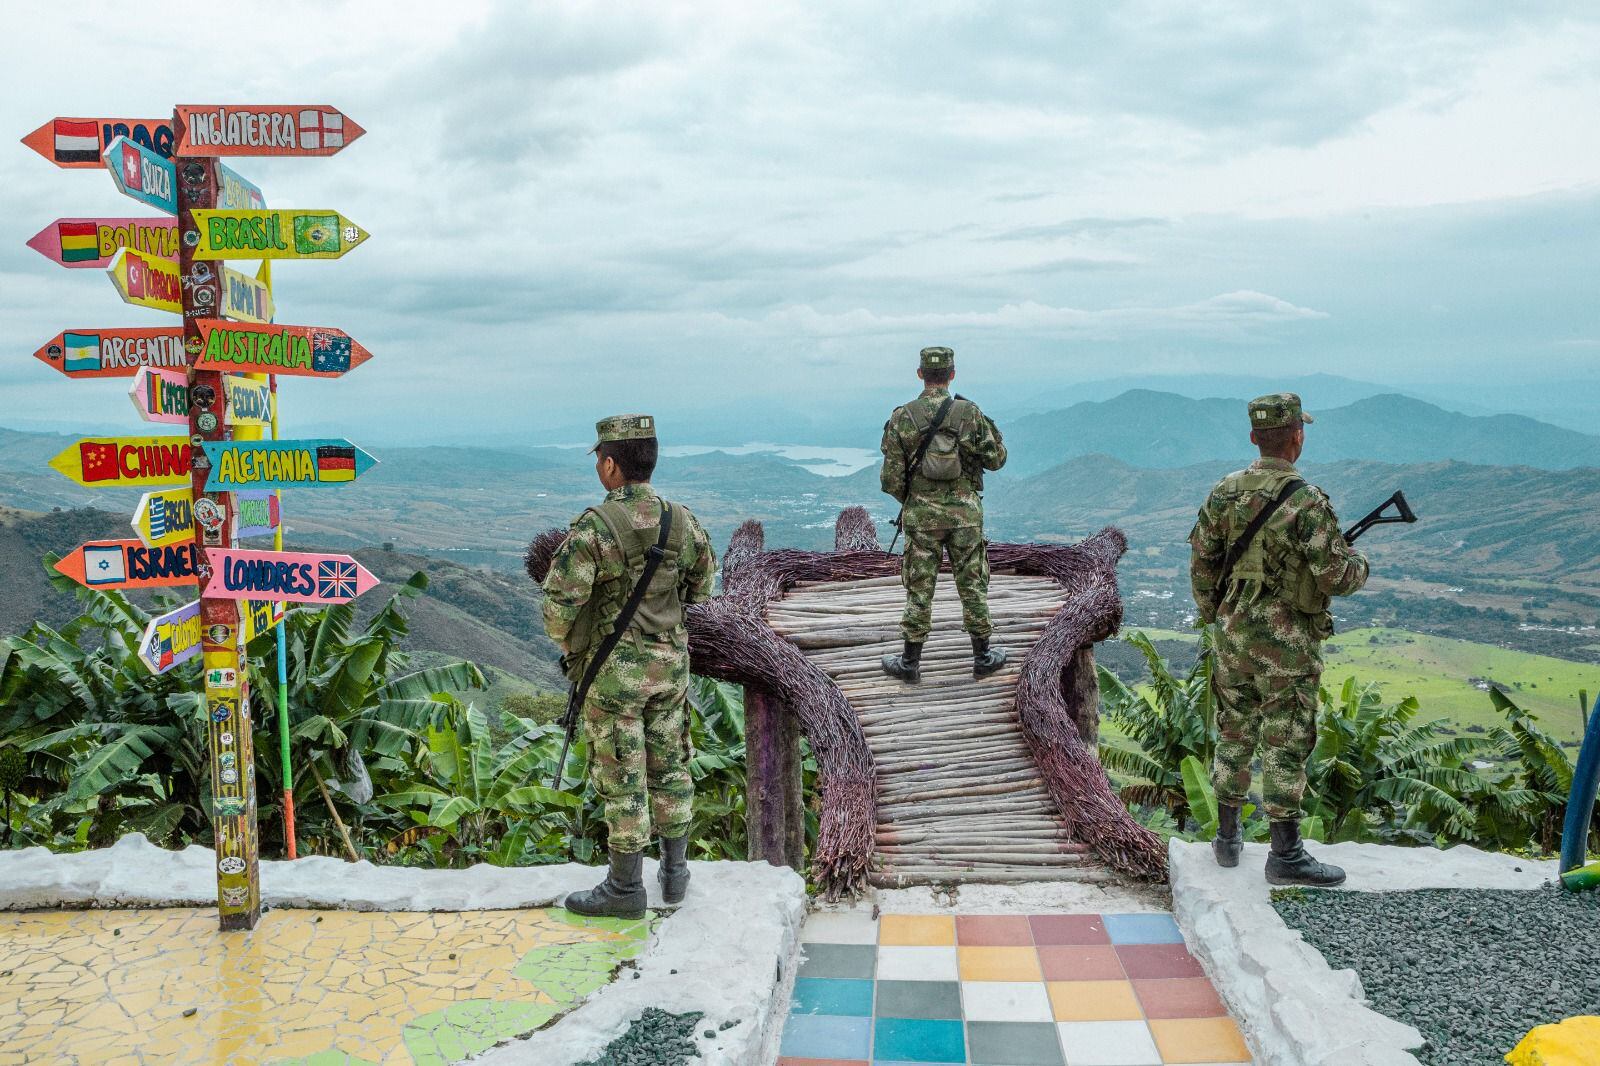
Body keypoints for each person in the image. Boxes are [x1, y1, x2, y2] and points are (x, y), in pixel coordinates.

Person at [1189, 393, 1369, 887]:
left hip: (1232, 639)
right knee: (1285, 741)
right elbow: (1336, 577)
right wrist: (1360, 565)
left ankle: (1227, 840)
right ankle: (1285, 854)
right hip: (1286, 648)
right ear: (1297, 437)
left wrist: (1217, 616)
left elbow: (1202, 564)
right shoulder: (1307, 501)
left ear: (1253, 437)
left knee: (1233, 731)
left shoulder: (1223, 491)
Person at [542, 414, 717, 917]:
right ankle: (675, 873)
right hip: (671, 666)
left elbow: (558, 610)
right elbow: (702, 588)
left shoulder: (595, 528)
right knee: (671, 765)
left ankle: (624, 889)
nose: (600, 467)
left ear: (612, 465)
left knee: (622, 774)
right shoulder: (683, 521)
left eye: (601, 459)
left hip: (615, 674)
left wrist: (583, 640)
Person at [879, 346, 1009, 682]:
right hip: (965, 515)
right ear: (952, 374)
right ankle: (982, 657)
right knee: (973, 583)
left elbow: (891, 479)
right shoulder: (970, 413)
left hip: (921, 517)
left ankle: (910, 664)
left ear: (920, 373)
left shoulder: (902, 417)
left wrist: (917, 500)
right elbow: (996, 460)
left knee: (919, 587)